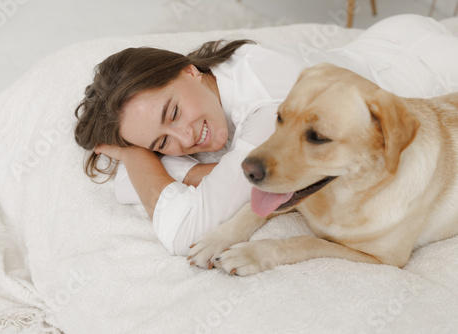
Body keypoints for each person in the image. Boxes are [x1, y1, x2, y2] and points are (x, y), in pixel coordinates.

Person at [74, 14, 458, 256]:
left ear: (189, 70)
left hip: (433, 65)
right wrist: (159, 161)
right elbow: (128, 188)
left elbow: (181, 231)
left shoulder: (270, 106)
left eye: (172, 112)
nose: (185, 138)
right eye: (161, 143)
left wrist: (136, 155)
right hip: (377, 43)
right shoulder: (206, 91)